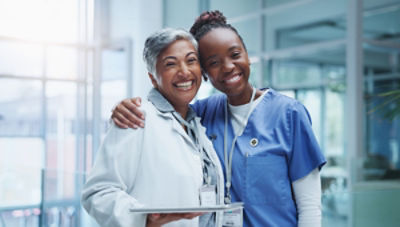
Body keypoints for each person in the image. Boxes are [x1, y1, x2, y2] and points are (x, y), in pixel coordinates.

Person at [111, 11, 326, 227]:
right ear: (204, 73)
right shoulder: (200, 115)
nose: (228, 67)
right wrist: (124, 107)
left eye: (235, 54)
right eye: (214, 63)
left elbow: (310, 207)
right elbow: (162, 111)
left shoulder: (289, 114)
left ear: (247, 55)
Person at [81, 28, 226, 227]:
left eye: (191, 60)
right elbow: (98, 192)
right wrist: (143, 218)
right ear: (153, 78)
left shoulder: (195, 124)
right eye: (170, 64)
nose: (184, 71)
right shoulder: (137, 117)